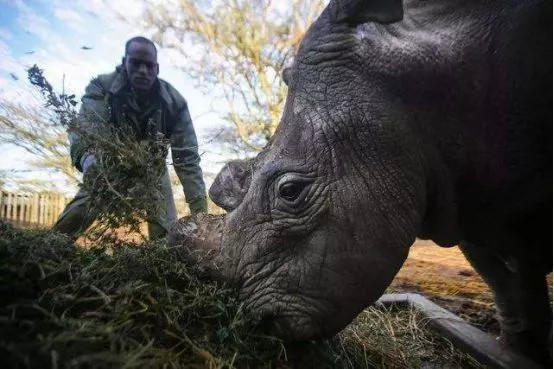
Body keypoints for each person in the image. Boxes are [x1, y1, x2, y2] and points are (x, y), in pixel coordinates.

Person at [53, 36, 207, 239]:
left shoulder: (174, 103)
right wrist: (90, 160)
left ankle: (160, 264)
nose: (143, 70)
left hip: (153, 169)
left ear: (157, 69)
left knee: (166, 235)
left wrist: (200, 210)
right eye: (136, 63)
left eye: (149, 65)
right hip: (109, 164)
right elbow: (86, 128)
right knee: (81, 210)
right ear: (125, 62)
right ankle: (50, 249)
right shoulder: (102, 87)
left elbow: (186, 157)